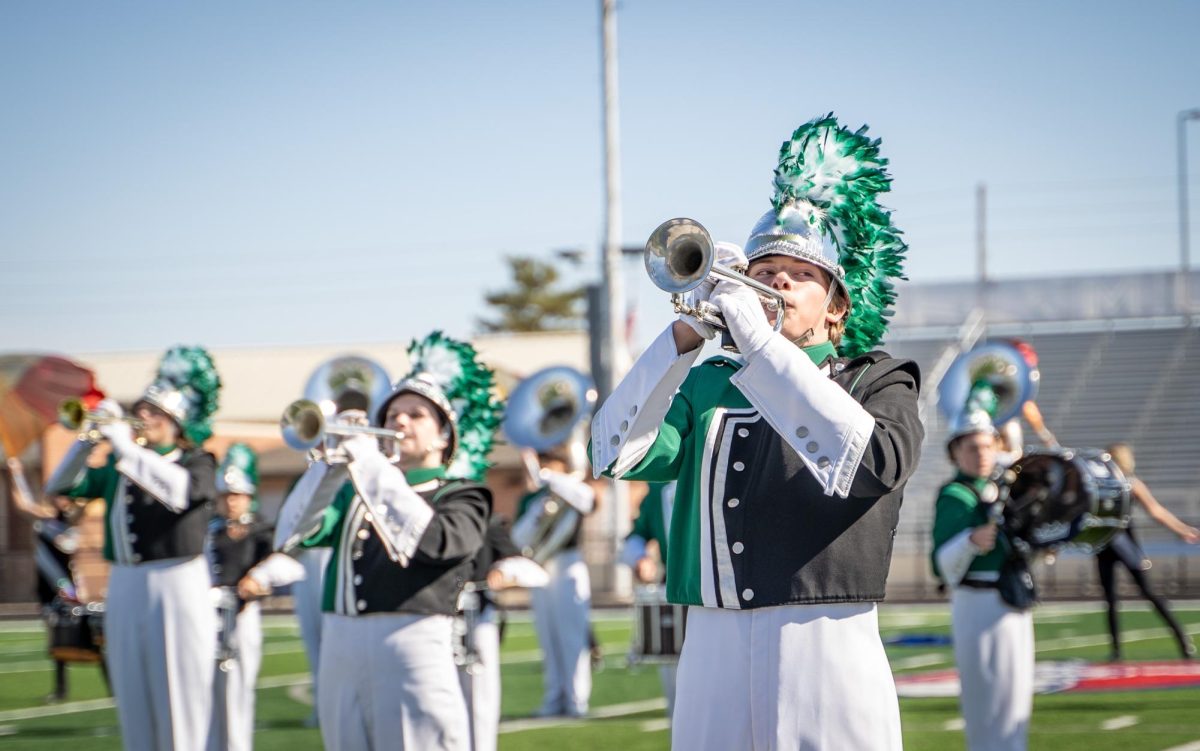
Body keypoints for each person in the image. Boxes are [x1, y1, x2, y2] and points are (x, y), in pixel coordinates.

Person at [591, 115, 921, 750]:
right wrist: (679, 344)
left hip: (824, 634)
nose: (773, 282)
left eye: (797, 274)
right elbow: (614, 452)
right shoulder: (708, 380)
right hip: (710, 635)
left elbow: (872, 462)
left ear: (838, 306)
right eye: (763, 270)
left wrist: (764, 344)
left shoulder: (878, 379)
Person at [274, 331, 503, 751]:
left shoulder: (463, 494)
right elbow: (291, 533)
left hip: (412, 645)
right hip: (339, 644)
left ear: (443, 437)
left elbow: (436, 543)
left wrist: (368, 461)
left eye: (416, 414)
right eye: (393, 413)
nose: (399, 421)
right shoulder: (355, 485)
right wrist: (328, 467)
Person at [43, 346, 222, 751]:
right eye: (141, 409)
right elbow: (59, 487)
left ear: (176, 424)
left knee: (178, 692)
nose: (144, 418)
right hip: (124, 581)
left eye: (155, 412)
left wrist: (126, 447)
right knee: (133, 691)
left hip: (176, 581)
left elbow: (179, 493)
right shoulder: (121, 464)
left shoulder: (197, 461)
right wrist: (86, 443)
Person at [932, 409, 1035, 751]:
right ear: (955, 453)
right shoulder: (954, 496)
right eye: (973, 448)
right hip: (977, 604)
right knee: (987, 701)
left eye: (988, 446)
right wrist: (970, 541)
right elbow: (941, 565)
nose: (983, 454)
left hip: (1013, 600)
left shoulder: (999, 487)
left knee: (1016, 699)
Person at [206, 443, 304, 751]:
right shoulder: (208, 531)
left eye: (237, 495)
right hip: (208, 614)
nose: (231, 502)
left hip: (243, 614)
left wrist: (259, 577)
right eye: (226, 496)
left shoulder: (262, 530)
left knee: (238, 690)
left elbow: (289, 564)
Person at [6, 455, 104, 701]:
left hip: (68, 586)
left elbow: (85, 503)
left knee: (90, 637)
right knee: (58, 639)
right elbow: (22, 504)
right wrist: (14, 474)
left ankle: (112, 686)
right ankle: (61, 689)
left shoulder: (71, 518)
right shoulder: (44, 518)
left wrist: (84, 467)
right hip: (48, 587)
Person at [1097, 442, 1198, 661]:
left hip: (1125, 543)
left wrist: (1182, 529)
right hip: (1104, 544)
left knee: (1149, 592)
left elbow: (1156, 511)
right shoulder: (1099, 484)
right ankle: (1116, 651)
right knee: (1110, 598)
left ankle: (1182, 639)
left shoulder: (1131, 484)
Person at [516, 447, 596, 718]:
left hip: (568, 565)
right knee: (548, 638)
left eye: (551, 464)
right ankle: (553, 698)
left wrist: (547, 476)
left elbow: (587, 500)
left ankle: (577, 700)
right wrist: (538, 512)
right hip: (539, 566)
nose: (545, 469)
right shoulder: (532, 499)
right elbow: (519, 537)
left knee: (571, 637)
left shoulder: (575, 491)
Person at [457, 515, 548, 751]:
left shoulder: (485, 522)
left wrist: (502, 570)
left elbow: (526, 566)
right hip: (430, 621)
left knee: (480, 701)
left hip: (476, 618)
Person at [619, 481, 678, 719]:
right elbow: (636, 535)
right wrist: (640, 558)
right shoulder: (658, 489)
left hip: (728, 597)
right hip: (674, 591)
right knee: (676, 690)